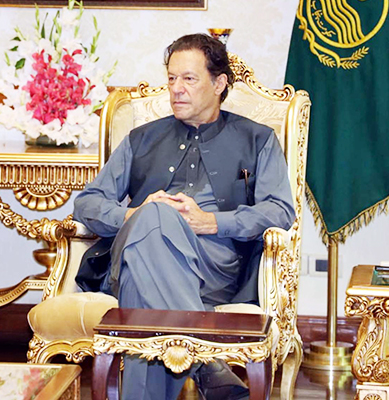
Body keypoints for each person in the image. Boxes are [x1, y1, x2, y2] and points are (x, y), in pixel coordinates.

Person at [73, 34, 295, 400]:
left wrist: (212, 222)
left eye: (189, 79)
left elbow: (280, 210)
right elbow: (88, 203)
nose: (176, 89)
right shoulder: (141, 138)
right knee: (154, 219)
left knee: (142, 290)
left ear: (219, 83)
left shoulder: (257, 139)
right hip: (136, 251)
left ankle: (203, 366)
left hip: (215, 268)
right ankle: (208, 362)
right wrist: (134, 213)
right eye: (172, 78)